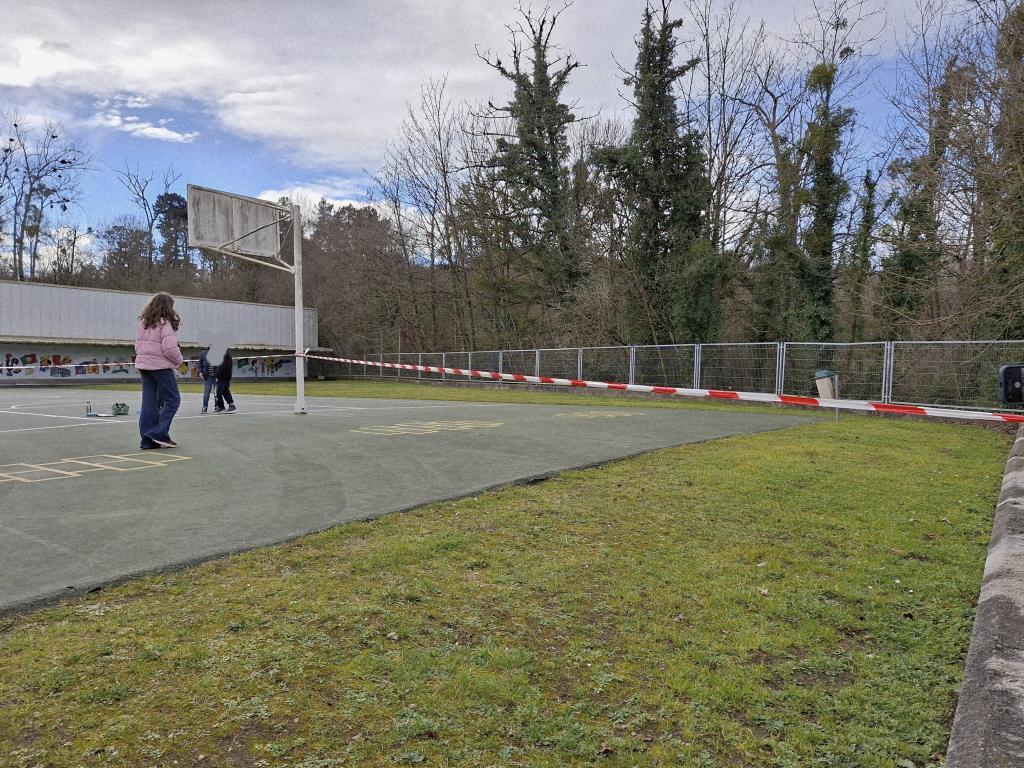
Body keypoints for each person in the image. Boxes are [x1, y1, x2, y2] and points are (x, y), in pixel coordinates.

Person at [135, 292, 183, 448]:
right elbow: (169, 349)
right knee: (173, 399)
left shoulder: (144, 323)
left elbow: (138, 346)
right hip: (160, 367)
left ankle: (147, 440)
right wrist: (179, 361)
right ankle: (159, 433)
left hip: (144, 366)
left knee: (149, 403)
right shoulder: (165, 323)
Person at [214, 349, 236, 413]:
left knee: (218, 392)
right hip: (225, 376)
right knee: (225, 391)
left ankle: (221, 407)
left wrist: (217, 376)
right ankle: (232, 406)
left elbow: (221, 367)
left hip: (222, 376)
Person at [198, 345, 215, 414]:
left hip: (217, 376)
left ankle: (217, 406)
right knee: (206, 392)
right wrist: (200, 372)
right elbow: (200, 364)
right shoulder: (203, 353)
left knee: (217, 392)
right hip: (208, 376)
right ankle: (204, 407)